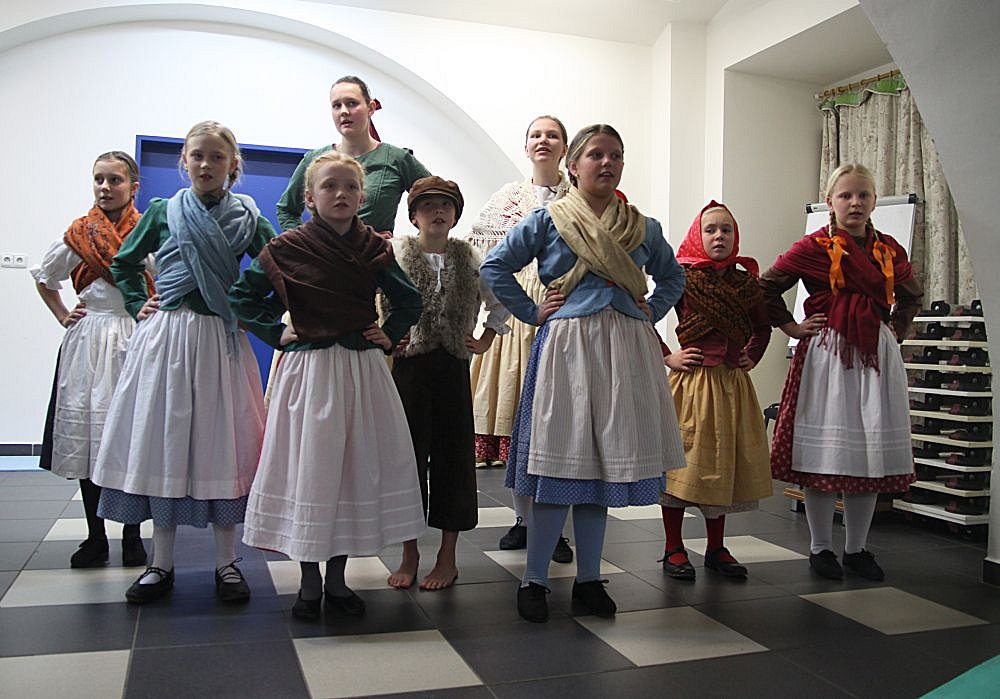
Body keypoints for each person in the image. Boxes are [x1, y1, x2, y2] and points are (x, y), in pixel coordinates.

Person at [481, 124, 687, 623]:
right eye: (596, 154)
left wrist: (652, 308)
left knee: (601, 471)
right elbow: (494, 267)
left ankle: (589, 581)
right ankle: (534, 580)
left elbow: (674, 275)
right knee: (560, 468)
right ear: (573, 165)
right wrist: (532, 312)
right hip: (568, 349)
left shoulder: (643, 227)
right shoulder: (548, 218)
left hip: (626, 350)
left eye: (615, 155)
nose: (607, 162)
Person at [230, 151, 426, 620]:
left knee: (348, 472)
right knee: (311, 470)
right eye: (329, 186)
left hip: (360, 370)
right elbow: (243, 296)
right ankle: (309, 580)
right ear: (309, 198)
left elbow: (408, 299)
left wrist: (389, 334)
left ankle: (337, 580)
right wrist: (275, 332)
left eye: (350, 187)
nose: (341, 194)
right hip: (310, 372)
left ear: (361, 196)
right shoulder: (286, 247)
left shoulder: (373, 247)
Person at [92, 121, 275, 604]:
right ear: (184, 161)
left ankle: (227, 563)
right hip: (167, 338)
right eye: (197, 155)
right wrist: (138, 303)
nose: (205, 165)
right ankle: (161, 563)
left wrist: (252, 309)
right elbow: (125, 263)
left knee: (222, 442)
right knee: (165, 442)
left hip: (219, 340)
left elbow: (277, 266)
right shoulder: (164, 210)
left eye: (216, 157)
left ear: (232, 165)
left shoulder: (247, 217)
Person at [761, 163, 922, 581]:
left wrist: (895, 331)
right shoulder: (813, 247)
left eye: (863, 195)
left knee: (866, 450)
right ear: (830, 201)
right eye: (846, 195)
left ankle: (857, 549)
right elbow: (765, 287)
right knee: (825, 452)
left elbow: (911, 295)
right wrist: (792, 327)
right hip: (827, 356)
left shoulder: (889, 250)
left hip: (874, 355)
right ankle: (820, 548)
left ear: (874, 201)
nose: (855, 203)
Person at [386, 176, 511, 591]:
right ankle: (409, 552)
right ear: (414, 216)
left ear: (456, 214)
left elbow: (498, 301)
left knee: (453, 460)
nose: (437, 211)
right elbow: (372, 299)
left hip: (452, 367)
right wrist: (387, 336)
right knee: (407, 460)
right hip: (409, 369)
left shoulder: (471, 258)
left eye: (445, 205)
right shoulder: (397, 255)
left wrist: (487, 337)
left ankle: (447, 556)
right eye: (427, 205)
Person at [32, 151, 149, 569]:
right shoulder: (79, 234)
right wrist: (63, 314)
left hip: (134, 336)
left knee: (132, 438)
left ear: (133, 187)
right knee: (88, 440)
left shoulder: (146, 232)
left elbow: (164, 282)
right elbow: (45, 277)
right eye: (99, 179)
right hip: (89, 340)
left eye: (114, 180)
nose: (105, 187)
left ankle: (132, 535)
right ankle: (95, 536)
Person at [467, 115, 574, 564]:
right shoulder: (507, 199)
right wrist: (484, 325)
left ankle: (556, 528)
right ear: (526, 146)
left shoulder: (579, 196)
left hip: (565, 312)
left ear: (565, 147)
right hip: (516, 314)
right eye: (536, 135)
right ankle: (523, 520)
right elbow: (481, 262)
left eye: (552, 135)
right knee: (518, 421)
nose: (543, 141)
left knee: (558, 427)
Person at [660, 201, 772, 580]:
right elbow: (643, 315)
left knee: (723, 463)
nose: (719, 236)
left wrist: (752, 355)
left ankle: (716, 547)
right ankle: (673, 546)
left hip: (731, 385)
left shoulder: (746, 284)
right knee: (681, 465)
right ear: (697, 235)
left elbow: (763, 326)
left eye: (726, 229)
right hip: (692, 385)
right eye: (710, 230)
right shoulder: (681, 278)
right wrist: (668, 356)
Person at [276, 75, 430, 234]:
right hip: (324, 250)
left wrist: (407, 244)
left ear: (370, 108)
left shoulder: (397, 159)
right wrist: (306, 242)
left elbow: (438, 201)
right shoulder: (314, 160)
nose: (344, 111)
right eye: (337, 105)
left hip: (375, 250)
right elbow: (286, 210)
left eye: (352, 103)